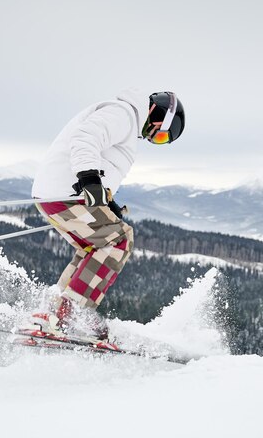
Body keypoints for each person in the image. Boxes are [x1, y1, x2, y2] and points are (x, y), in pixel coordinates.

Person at [30, 87, 185, 340]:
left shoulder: (125, 119)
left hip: (57, 193)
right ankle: (66, 317)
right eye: (160, 137)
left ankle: (53, 314)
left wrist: (104, 198)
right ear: (158, 116)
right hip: (66, 192)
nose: (152, 139)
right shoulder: (123, 114)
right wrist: (89, 180)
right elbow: (85, 138)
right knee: (119, 241)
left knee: (94, 247)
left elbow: (102, 161)